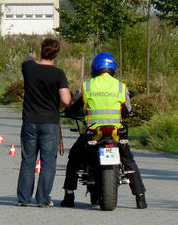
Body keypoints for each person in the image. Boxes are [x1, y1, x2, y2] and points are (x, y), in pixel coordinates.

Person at [60, 52, 148, 209]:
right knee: (128, 161)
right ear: (112, 68)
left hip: (93, 133)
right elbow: (127, 109)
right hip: (115, 133)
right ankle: (140, 198)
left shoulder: (86, 86)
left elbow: (74, 105)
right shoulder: (121, 86)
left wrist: (70, 111)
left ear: (94, 68)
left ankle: (69, 196)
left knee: (74, 158)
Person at [17, 38, 71, 207]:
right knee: (48, 162)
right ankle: (43, 199)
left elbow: (27, 59)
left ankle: (23, 199)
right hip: (50, 123)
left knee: (28, 161)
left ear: (41, 50)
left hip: (30, 122)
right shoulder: (58, 74)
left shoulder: (28, 68)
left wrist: (31, 57)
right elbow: (66, 100)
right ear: (56, 53)